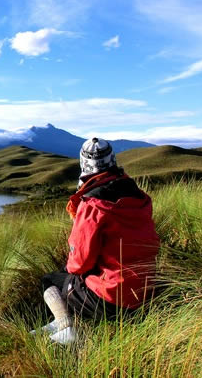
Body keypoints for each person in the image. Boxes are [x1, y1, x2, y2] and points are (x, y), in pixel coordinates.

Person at [37, 137, 160, 345]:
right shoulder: (139, 197)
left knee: (51, 280)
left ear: (84, 163)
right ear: (112, 160)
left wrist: (69, 270)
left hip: (112, 298)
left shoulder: (93, 204)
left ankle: (66, 326)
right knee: (77, 279)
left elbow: (79, 263)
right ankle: (64, 322)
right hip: (146, 292)